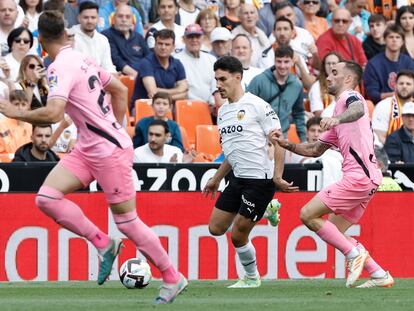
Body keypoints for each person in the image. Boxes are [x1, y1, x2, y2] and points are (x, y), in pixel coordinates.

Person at [0, 11, 187, 304]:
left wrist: (16, 112)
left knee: (126, 221)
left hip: (108, 150)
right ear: (65, 32)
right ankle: (103, 243)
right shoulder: (81, 58)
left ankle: (172, 276)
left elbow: (53, 113)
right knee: (47, 198)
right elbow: (119, 88)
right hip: (89, 148)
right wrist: (116, 123)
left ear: (40, 39)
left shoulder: (59, 66)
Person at [272, 60, 394, 288]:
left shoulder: (350, 98)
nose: (328, 77)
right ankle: (378, 274)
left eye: (334, 72)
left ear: (348, 79)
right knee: (335, 232)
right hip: (369, 179)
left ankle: (354, 255)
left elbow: (359, 109)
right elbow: (314, 149)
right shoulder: (339, 110)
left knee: (308, 214)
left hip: (358, 177)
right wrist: (285, 144)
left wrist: (337, 119)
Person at [203, 55, 298, 288]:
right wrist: (216, 178)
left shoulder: (258, 106)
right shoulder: (223, 112)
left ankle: (252, 277)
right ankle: (267, 210)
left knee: (237, 235)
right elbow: (231, 152)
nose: (218, 84)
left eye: (223, 79)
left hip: (260, 181)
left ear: (238, 77)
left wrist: (277, 177)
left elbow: (279, 142)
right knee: (215, 228)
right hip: (236, 179)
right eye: (216, 79)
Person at [248, 45, 307, 143]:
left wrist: (303, 140)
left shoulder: (297, 85)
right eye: (279, 61)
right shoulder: (259, 81)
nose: (282, 66)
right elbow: (247, 108)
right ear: (274, 61)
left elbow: (299, 114)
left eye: (286, 62)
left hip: (281, 136)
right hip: (258, 136)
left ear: (292, 62)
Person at [131, 29, 188, 104]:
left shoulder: (177, 64)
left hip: (168, 106)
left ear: (173, 47)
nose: (163, 47)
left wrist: (160, 93)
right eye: (160, 44)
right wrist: (178, 91)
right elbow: (153, 93)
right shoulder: (146, 63)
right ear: (155, 45)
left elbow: (185, 94)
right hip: (145, 106)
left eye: (167, 44)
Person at [363, 23, 414, 104]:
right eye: (391, 37)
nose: (394, 40)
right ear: (384, 40)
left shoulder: (409, 62)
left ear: (402, 41)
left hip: (408, 104)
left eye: (398, 37)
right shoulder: (373, 64)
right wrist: (397, 95)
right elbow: (372, 94)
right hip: (382, 106)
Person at [174, 23, 217, 110]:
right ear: (184, 39)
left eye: (197, 37)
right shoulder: (176, 59)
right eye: (190, 37)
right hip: (186, 107)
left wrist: (213, 102)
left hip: (210, 107)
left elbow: (215, 85)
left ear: (203, 39)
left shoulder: (211, 59)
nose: (194, 40)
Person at [102, 4, 150, 78]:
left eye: (128, 17)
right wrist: (137, 75)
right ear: (113, 19)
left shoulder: (138, 37)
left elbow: (149, 57)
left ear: (132, 20)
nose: (124, 20)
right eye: (120, 16)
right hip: (122, 76)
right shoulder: (106, 35)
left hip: (142, 74)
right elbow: (116, 60)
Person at [372, 69, 414, 146]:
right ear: (395, 86)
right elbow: (379, 136)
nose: (404, 86)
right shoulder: (383, 106)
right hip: (391, 152)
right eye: (401, 83)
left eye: (408, 84)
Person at [71, 1, 116, 73]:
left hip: (100, 79)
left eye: (93, 17)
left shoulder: (103, 39)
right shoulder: (70, 37)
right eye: (86, 17)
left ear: (98, 18)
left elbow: (108, 66)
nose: (89, 21)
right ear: (79, 18)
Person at [231, 3, 269, 68]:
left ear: (257, 17)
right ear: (239, 18)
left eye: (252, 12)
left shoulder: (261, 34)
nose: (249, 16)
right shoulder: (234, 35)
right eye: (246, 13)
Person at [308, 52, 343, 117]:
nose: (331, 66)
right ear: (324, 66)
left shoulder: (346, 84)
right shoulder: (317, 86)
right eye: (328, 63)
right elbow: (318, 113)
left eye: (334, 63)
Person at [0, 89, 32, 155]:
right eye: (16, 104)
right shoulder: (2, 125)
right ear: (10, 105)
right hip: (6, 162)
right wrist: (20, 125)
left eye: (23, 104)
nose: (20, 108)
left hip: (25, 162)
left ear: (28, 107)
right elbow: (11, 149)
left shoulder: (29, 125)